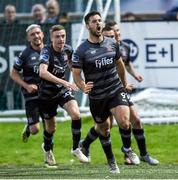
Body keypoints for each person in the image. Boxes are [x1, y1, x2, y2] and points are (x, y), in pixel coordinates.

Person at [72, 11, 141, 174]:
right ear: (87, 25)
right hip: (97, 96)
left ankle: (127, 149)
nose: (98, 23)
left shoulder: (112, 43)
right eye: (94, 21)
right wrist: (82, 86)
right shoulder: (81, 50)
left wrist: (124, 83)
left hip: (115, 90)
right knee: (104, 129)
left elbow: (120, 65)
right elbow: (76, 74)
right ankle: (111, 161)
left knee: (125, 122)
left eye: (99, 20)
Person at [104, 20, 159, 165]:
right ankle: (85, 145)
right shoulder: (102, 49)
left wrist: (134, 76)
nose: (116, 33)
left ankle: (141, 154)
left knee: (134, 121)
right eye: (113, 32)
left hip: (121, 89)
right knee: (106, 126)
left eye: (118, 31)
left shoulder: (123, 47)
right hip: (109, 91)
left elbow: (127, 64)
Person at [38, 24, 89, 167]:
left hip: (61, 90)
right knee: (51, 129)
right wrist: (65, 82)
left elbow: (73, 67)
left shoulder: (68, 49)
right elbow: (42, 72)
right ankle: (47, 149)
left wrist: (83, 81)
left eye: (63, 36)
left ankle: (75, 148)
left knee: (76, 114)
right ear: (51, 38)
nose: (61, 39)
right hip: (47, 94)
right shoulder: (46, 51)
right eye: (57, 37)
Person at [10, 24, 45, 143]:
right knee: (35, 129)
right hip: (32, 93)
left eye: (38, 33)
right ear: (28, 38)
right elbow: (13, 73)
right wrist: (27, 86)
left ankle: (48, 150)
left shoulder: (50, 51)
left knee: (50, 125)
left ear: (43, 34)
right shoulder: (24, 54)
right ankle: (29, 126)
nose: (36, 36)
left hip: (47, 92)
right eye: (32, 34)